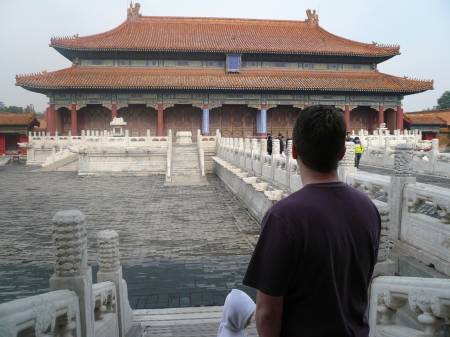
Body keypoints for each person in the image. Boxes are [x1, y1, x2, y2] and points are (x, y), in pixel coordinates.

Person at [243, 105, 381, 337]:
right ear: (342, 153)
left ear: (294, 151)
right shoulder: (368, 207)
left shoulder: (284, 216)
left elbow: (267, 312)